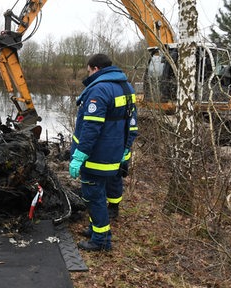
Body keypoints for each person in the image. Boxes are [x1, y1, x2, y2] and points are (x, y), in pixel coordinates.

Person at [69, 54, 137, 252]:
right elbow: (131, 123)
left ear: (95, 69)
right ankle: (95, 229)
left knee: (94, 197)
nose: (88, 73)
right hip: (113, 153)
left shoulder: (99, 90)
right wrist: (126, 149)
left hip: (96, 156)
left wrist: (79, 156)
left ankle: (101, 240)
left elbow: (91, 128)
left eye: (89, 70)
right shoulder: (127, 88)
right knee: (98, 194)